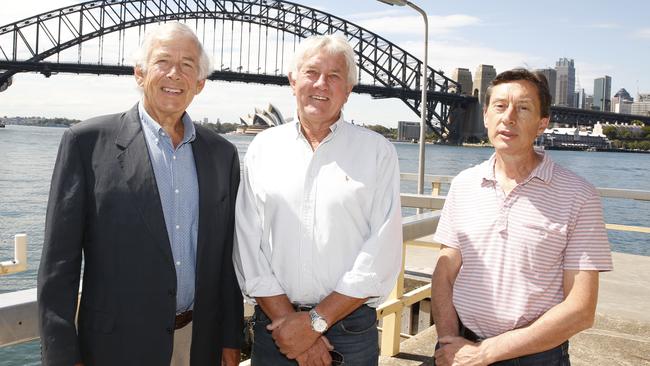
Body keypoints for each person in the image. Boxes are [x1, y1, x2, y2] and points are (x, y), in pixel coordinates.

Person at [37, 22, 243, 366]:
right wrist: (62, 356)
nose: (175, 74)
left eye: (188, 65)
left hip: (198, 343)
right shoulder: (85, 143)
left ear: (200, 83)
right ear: (139, 73)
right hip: (114, 347)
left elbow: (227, 259)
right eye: (163, 62)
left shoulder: (222, 154)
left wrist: (230, 339)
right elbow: (59, 266)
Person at [233, 34, 403, 366]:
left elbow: (379, 254)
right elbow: (248, 247)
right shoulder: (262, 150)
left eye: (335, 76)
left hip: (349, 331)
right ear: (292, 80)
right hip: (275, 327)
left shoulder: (377, 152)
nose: (321, 84)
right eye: (311, 72)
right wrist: (293, 329)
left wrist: (314, 324)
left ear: (349, 89)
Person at [430, 68, 613, 366]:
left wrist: (486, 353)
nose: (509, 117)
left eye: (523, 108)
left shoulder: (580, 195)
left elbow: (581, 309)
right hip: (459, 346)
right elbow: (444, 272)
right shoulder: (463, 184)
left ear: (543, 123)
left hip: (535, 356)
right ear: (486, 115)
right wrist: (450, 342)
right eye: (500, 106)